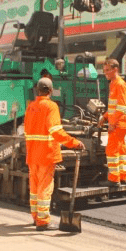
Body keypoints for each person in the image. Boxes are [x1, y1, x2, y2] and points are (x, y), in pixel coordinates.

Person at [24, 77, 85, 231]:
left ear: (37, 90)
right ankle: (43, 222)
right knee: (44, 188)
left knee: (34, 187)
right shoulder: (51, 107)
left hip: (32, 154)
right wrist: (74, 142)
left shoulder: (30, 107)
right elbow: (55, 131)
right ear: (50, 91)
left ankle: (36, 217)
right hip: (46, 154)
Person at [98, 58, 126, 187]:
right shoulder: (114, 83)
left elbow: (121, 107)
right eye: (104, 70)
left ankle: (113, 179)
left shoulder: (119, 84)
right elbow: (113, 107)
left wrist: (112, 123)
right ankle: (123, 177)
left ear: (115, 69)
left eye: (107, 70)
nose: (105, 73)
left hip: (118, 123)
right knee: (121, 150)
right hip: (120, 122)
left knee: (112, 150)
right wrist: (105, 117)